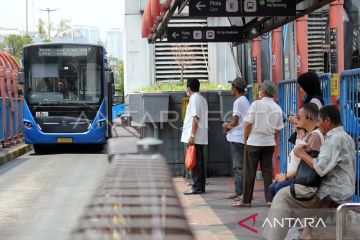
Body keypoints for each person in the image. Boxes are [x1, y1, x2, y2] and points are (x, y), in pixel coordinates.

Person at [263, 105, 356, 240]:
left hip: (330, 192)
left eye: (320, 121)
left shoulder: (334, 139)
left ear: (328, 120)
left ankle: (273, 237)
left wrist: (301, 154)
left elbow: (320, 168)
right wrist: (308, 153)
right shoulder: (346, 137)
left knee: (283, 195)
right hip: (342, 189)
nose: (318, 124)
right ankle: (306, 233)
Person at [234, 81, 284, 207]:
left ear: (264, 92)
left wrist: (245, 138)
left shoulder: (256, 104)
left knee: (249, 171)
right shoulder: (277, 108)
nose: (259, 92)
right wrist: (272, 139)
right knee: (267, 171)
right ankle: (269, 199)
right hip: (269, 143)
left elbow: (248, 124)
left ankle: (246, 200)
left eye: (260, 89)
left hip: (253, 142)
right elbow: (277, 130)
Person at [268, 103, 323, 198]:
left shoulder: (315, 136)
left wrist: (286, 176)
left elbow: (311, 164)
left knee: (278, 187)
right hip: (299, 175)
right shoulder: (308, 134)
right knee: (273, 187)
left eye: (299, 116)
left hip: (307, 180)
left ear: (308, 117)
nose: (296, 119)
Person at [222, 78, 250, 200]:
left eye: (231, 86)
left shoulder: (238, 102)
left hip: (238, 138)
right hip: (241, 137)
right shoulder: (245, 100)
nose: (230, 89)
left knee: (239, 167)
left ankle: (240, 193)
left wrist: (226, 125)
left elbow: (235, 121)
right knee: (241, 166)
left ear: (235, 88)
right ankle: (241, 192)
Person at [181, 78, 208, 195]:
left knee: (195, 162)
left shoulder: (195, 99)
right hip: (200, 136)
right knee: (199, 162)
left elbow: (195, 117)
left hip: (195, 136)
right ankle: (200, 186)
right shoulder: (201, 99)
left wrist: (192, 135)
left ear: (189, 88)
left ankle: (196, 187)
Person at [288, 71, 324, 144]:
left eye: (301, 87)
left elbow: (311, 122)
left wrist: (295, 120)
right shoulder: (311, 98)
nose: (300, 90)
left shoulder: (314, 101)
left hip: (310, 139)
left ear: (308, 86)